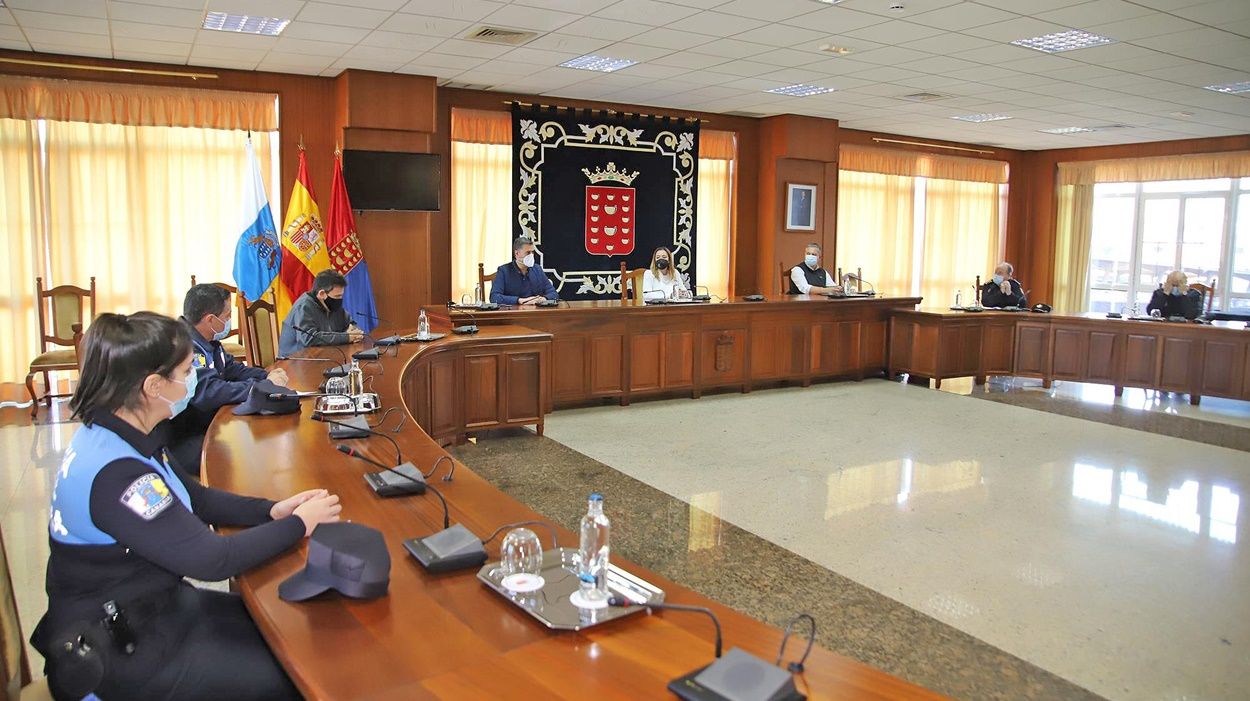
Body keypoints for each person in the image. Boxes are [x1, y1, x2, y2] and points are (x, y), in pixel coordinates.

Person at [30, 312, 342, 701]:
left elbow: (197, 497)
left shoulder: (121, 430)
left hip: (156, 607)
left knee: (295, 632)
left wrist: (272, 511)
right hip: (120, 647)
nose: (194, 374)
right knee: (298, 675)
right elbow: (212, 560)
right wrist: (298, 524)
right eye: (186, 369)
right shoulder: (119, 474)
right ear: (153, 386)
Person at [169, 284, 289, 473]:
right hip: (187, 436)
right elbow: (210, 391)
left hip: (209, 422)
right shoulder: (184, 347)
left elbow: (233, 369)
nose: (229, 321)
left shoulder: (210, 342)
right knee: (249, 455)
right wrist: (264, 385)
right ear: (210, 319)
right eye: (227, 316)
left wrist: (267, 375)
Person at [277, 269, 363, 357]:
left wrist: (355, 333)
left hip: (323, 355)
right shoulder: (304, 306)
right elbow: (309, 338)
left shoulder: (333, 305)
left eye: (341, 295)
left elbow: (350, 324)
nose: (339, 299)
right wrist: (347, 337)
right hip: (294, 361)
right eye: (337, 296)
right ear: (322, 294)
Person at [489, 236, 559, 305]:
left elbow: (553, 293)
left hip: (535, 312)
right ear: (516, 253)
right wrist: (519, 300)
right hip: (514, 314)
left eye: (533, 252)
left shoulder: (537, 269)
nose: (531, 255)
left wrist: (544, 298)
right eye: (528, 253)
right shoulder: (503, 271)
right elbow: (494, 297)